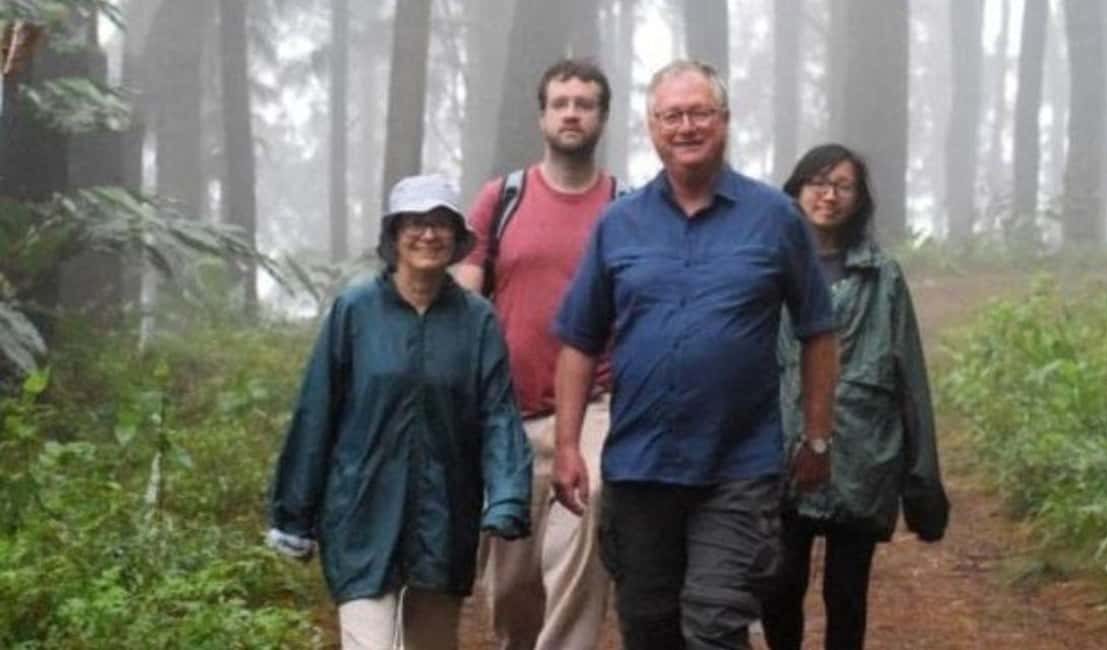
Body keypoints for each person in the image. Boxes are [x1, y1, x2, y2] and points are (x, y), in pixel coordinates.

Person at [550, 60, 840, 650]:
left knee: (715, 624)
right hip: (639, 466)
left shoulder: (775, 218)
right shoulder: (618, 224)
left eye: (700, 113)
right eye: (672, 116)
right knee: (649, 628)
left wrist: (817, 438)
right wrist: (566, 445)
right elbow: (580, 340)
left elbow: (818, 330)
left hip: (738, 466)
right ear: (652, 128)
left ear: (725, 121)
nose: (686, 127)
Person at [266, 175, 533, 650]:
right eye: (415, 222)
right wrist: (294, 514)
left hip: (445, 518)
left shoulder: (477, 320)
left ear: (457, 237)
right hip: (361, 515)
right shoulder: (355, 311)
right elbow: (317, 412)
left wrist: (508, 495)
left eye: (441, 224)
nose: (428, 234)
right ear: (394, 234)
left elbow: (498, 414)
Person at [455, 57, 618, 650]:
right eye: (561, 104)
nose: (572, 114)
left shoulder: (624, 206)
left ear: (602, 118)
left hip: (598, 405)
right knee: (512, 581)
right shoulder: (502, 198)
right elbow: (464, 295)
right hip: (509, 412)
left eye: (585, 105)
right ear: (542, 116)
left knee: (589, 508)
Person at [759, 144, 950, 650]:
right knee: (778, 587)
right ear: (797, 191)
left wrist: (923, 480)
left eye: (843, 186)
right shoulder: (769, 268)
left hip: (862, 458)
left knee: (846, 595)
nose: (830, 196)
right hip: (781, 455)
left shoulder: (883, 276)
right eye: (819, 183)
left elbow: (911, 378)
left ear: (860, 198)